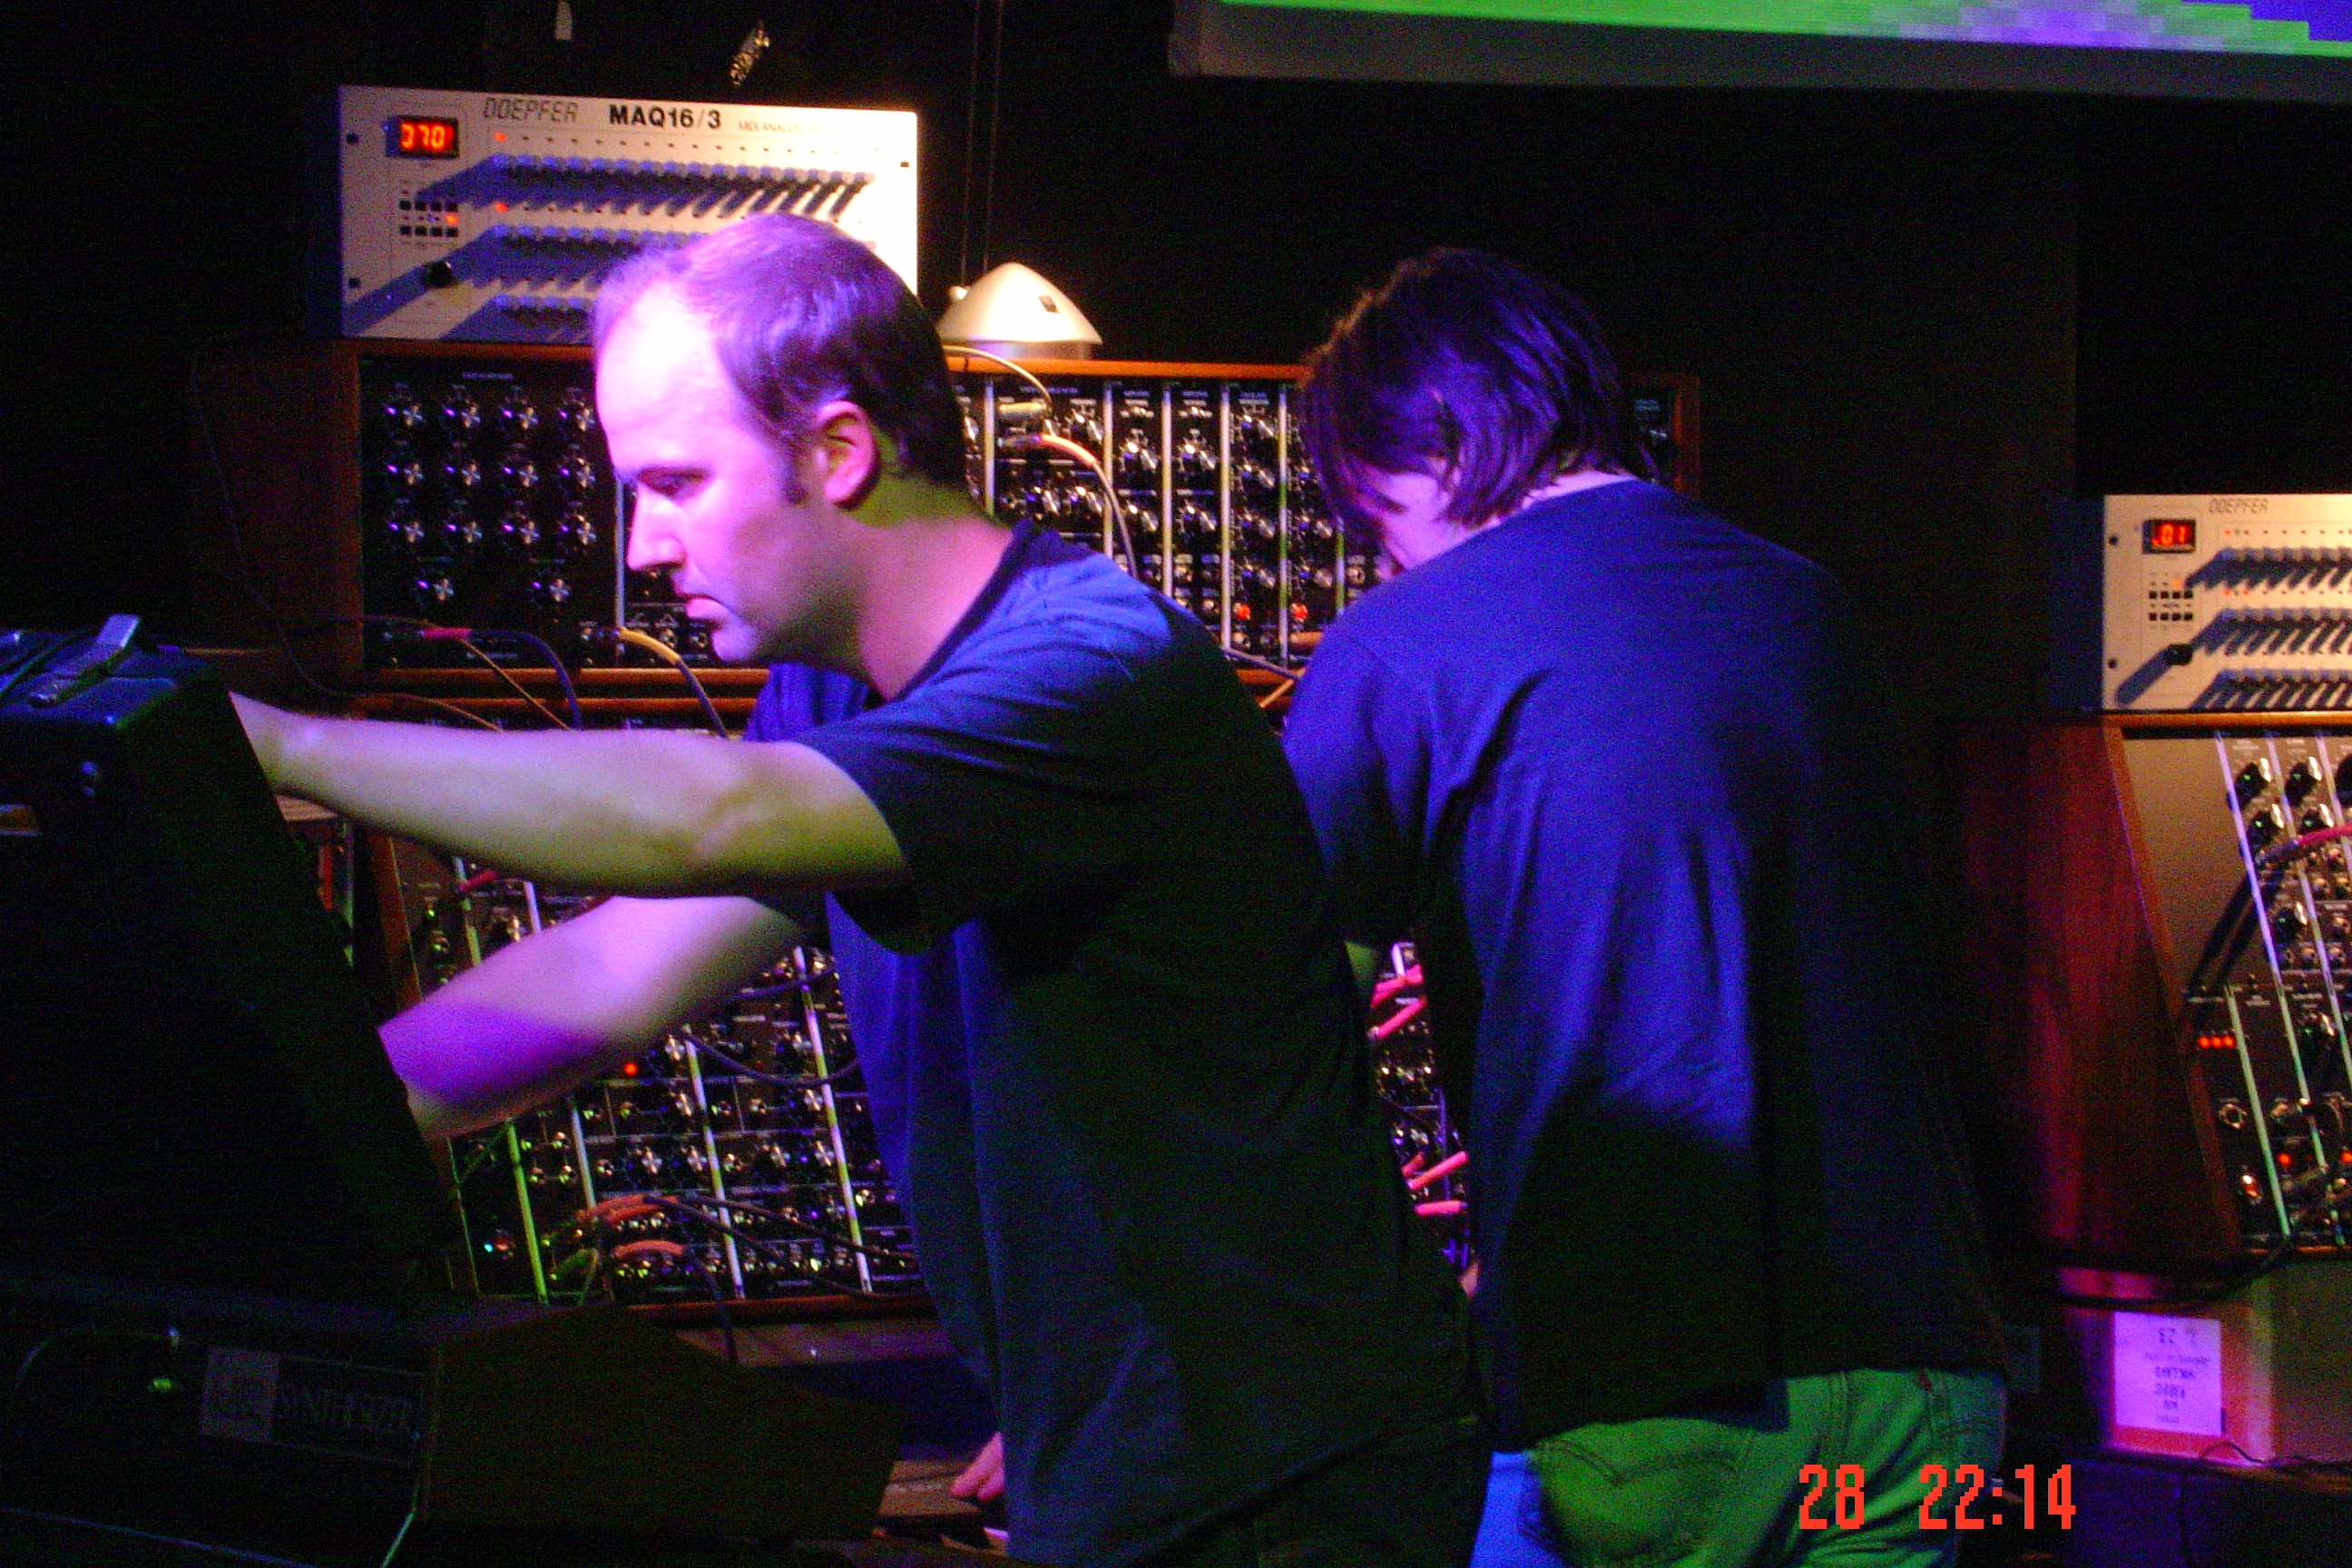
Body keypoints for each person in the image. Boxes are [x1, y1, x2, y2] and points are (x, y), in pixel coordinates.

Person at [233, 214, 1483, 1568]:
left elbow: (712, 820)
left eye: (677, 483)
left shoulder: (1087, 672)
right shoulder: (834, 690)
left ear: (837, 450)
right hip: (1160, 1463)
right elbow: (610, 970)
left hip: (1302, 1476)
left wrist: (281, 747)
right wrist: (286, 1131)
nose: (643, 546)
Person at [1279, 249, 2009, 1568]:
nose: (1376, 556)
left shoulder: (1402, 644)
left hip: (1645, 1403)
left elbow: (1267, 1032)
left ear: (1432, 449)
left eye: (1369, 514)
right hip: (1930, 1388)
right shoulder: (1809, 605)